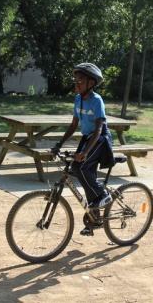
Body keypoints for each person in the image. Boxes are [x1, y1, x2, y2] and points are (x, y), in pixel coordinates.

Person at [51, 63, 115, 236]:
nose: (77, 83)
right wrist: (59, 144)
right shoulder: (78, 99)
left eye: (81, 80)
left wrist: (84, 153)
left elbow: (99, 129)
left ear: (91, 83)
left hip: (100, 139)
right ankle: (95, 220)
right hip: (87, 138)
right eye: (76, 80)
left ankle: (102, 195)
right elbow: (73, 125)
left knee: (82, 167)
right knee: (81, 173)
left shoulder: (96, 100)